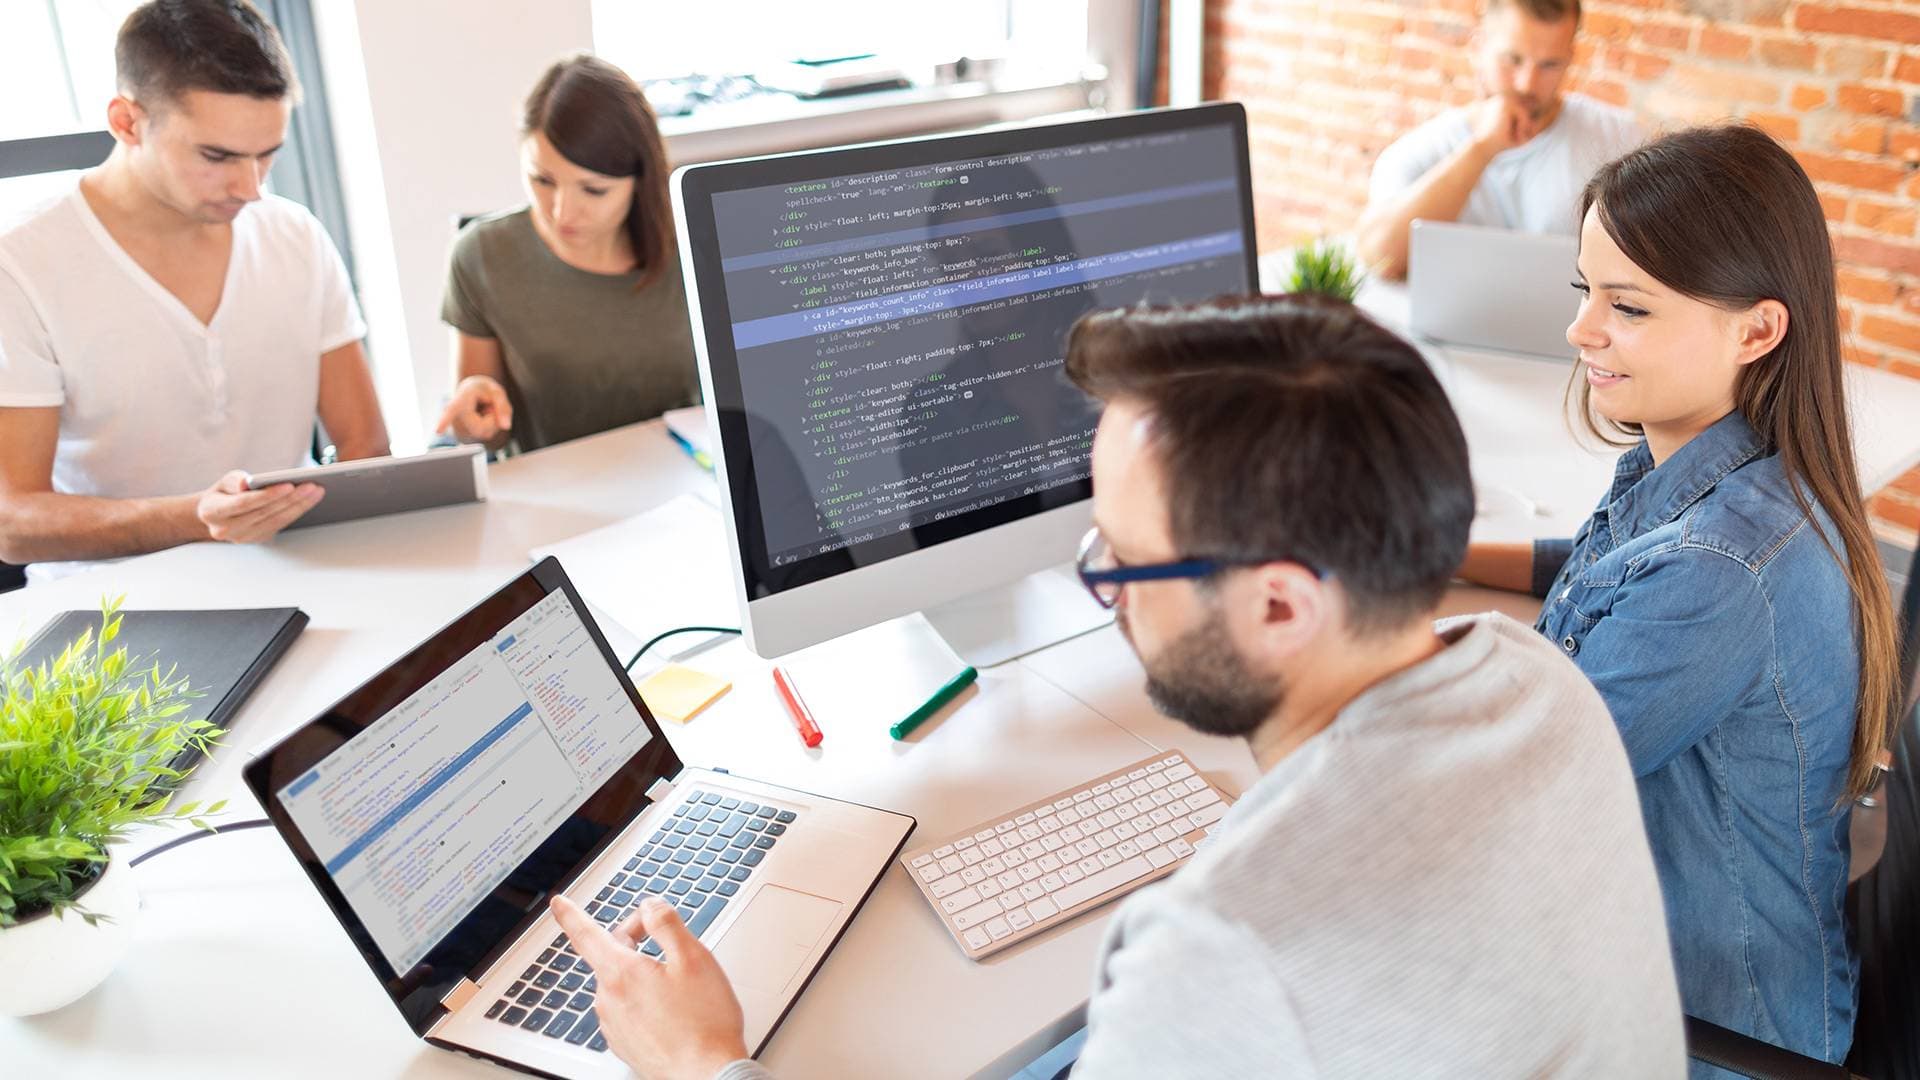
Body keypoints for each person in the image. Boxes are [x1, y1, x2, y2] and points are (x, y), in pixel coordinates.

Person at [546, 295, 1687, 1078]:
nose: (1108, 595)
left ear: (1283, 604)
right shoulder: (1543, 685)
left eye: (1123, 563)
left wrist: (703, 1059)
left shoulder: (1217, 949)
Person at [1456, 125, 1902, 1072]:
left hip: (1707, 1036)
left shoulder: (1724, 570)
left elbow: (1503, 789)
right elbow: (1608, 566)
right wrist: (1439, 553)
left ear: (1757, 329)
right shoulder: (1733, 478)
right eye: (1587, 292)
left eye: (1629, 307)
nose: (1582, 331)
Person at [0, 0, 388, 581]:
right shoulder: (20, 263)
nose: (251, 188)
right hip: (112, 613)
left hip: (301, 572)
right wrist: (197, 518)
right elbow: (14, 523)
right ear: (127, 122)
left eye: (267, 155)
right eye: (217, 156)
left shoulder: (295, 234)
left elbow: (365, 448)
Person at [436, 54, 698, 454]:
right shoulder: (482, 255)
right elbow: (487, 435)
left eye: (593, 190)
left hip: (683, 478)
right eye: (542, 180)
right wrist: (472, 420)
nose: (562, 212)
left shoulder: (693, 246)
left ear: (640, 181)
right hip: (553, 495)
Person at [1355, 0, 1643, 279]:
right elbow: (1379, 258)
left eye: (1549, 64)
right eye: (1512, 59)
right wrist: (1482, 149)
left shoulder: (1618, 137)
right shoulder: (1418, 151)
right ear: (1477, 47)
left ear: (1570, 57)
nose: (1526, 83)